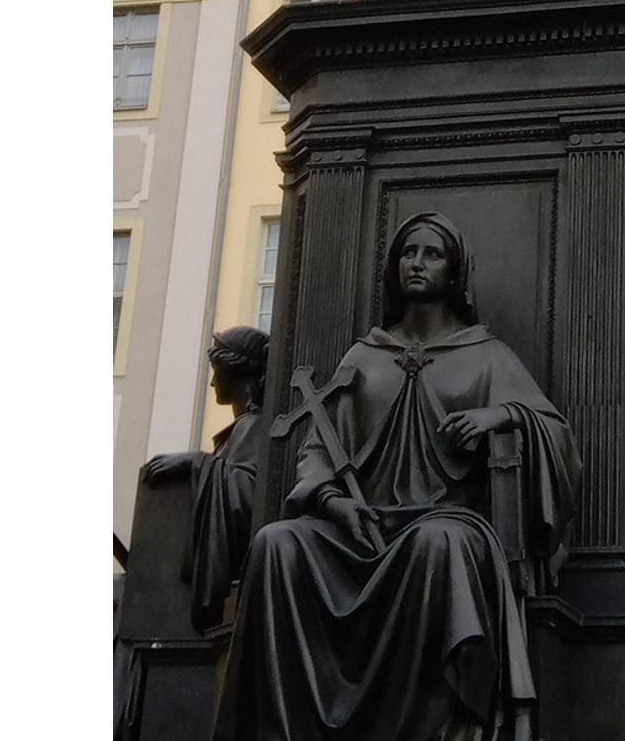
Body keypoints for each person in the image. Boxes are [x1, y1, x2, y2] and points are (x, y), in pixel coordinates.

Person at [211, 214, 581, 741]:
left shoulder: (486, 355)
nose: (417, 263)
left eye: (432, 255)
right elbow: (317, 450)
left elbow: (555, 435)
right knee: (276, 544)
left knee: (439, 543)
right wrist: (335, 504)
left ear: (455, 273)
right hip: (360, 526)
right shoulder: (366, 355)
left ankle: (431, 727)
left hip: (447, 520)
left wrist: (499, 415)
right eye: (409, 253)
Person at [137, 324, 270, 627]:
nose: (212, 383)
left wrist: (195, 462)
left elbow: (247, 496)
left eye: (217, 371)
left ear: (236, 373)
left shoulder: (252, 426)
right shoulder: (241, 430)